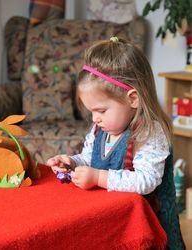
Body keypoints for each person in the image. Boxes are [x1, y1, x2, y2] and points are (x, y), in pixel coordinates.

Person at [47, 37, 185, 249]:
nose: (95, 119)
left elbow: (146, 180)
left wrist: (99, 177)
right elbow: (88, 158)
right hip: (111, 220)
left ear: (133, 99)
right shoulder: (100, 129)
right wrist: (72, 162)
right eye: (91, 111)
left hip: (143, 228)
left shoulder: (149, 132)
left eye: (101, 111)